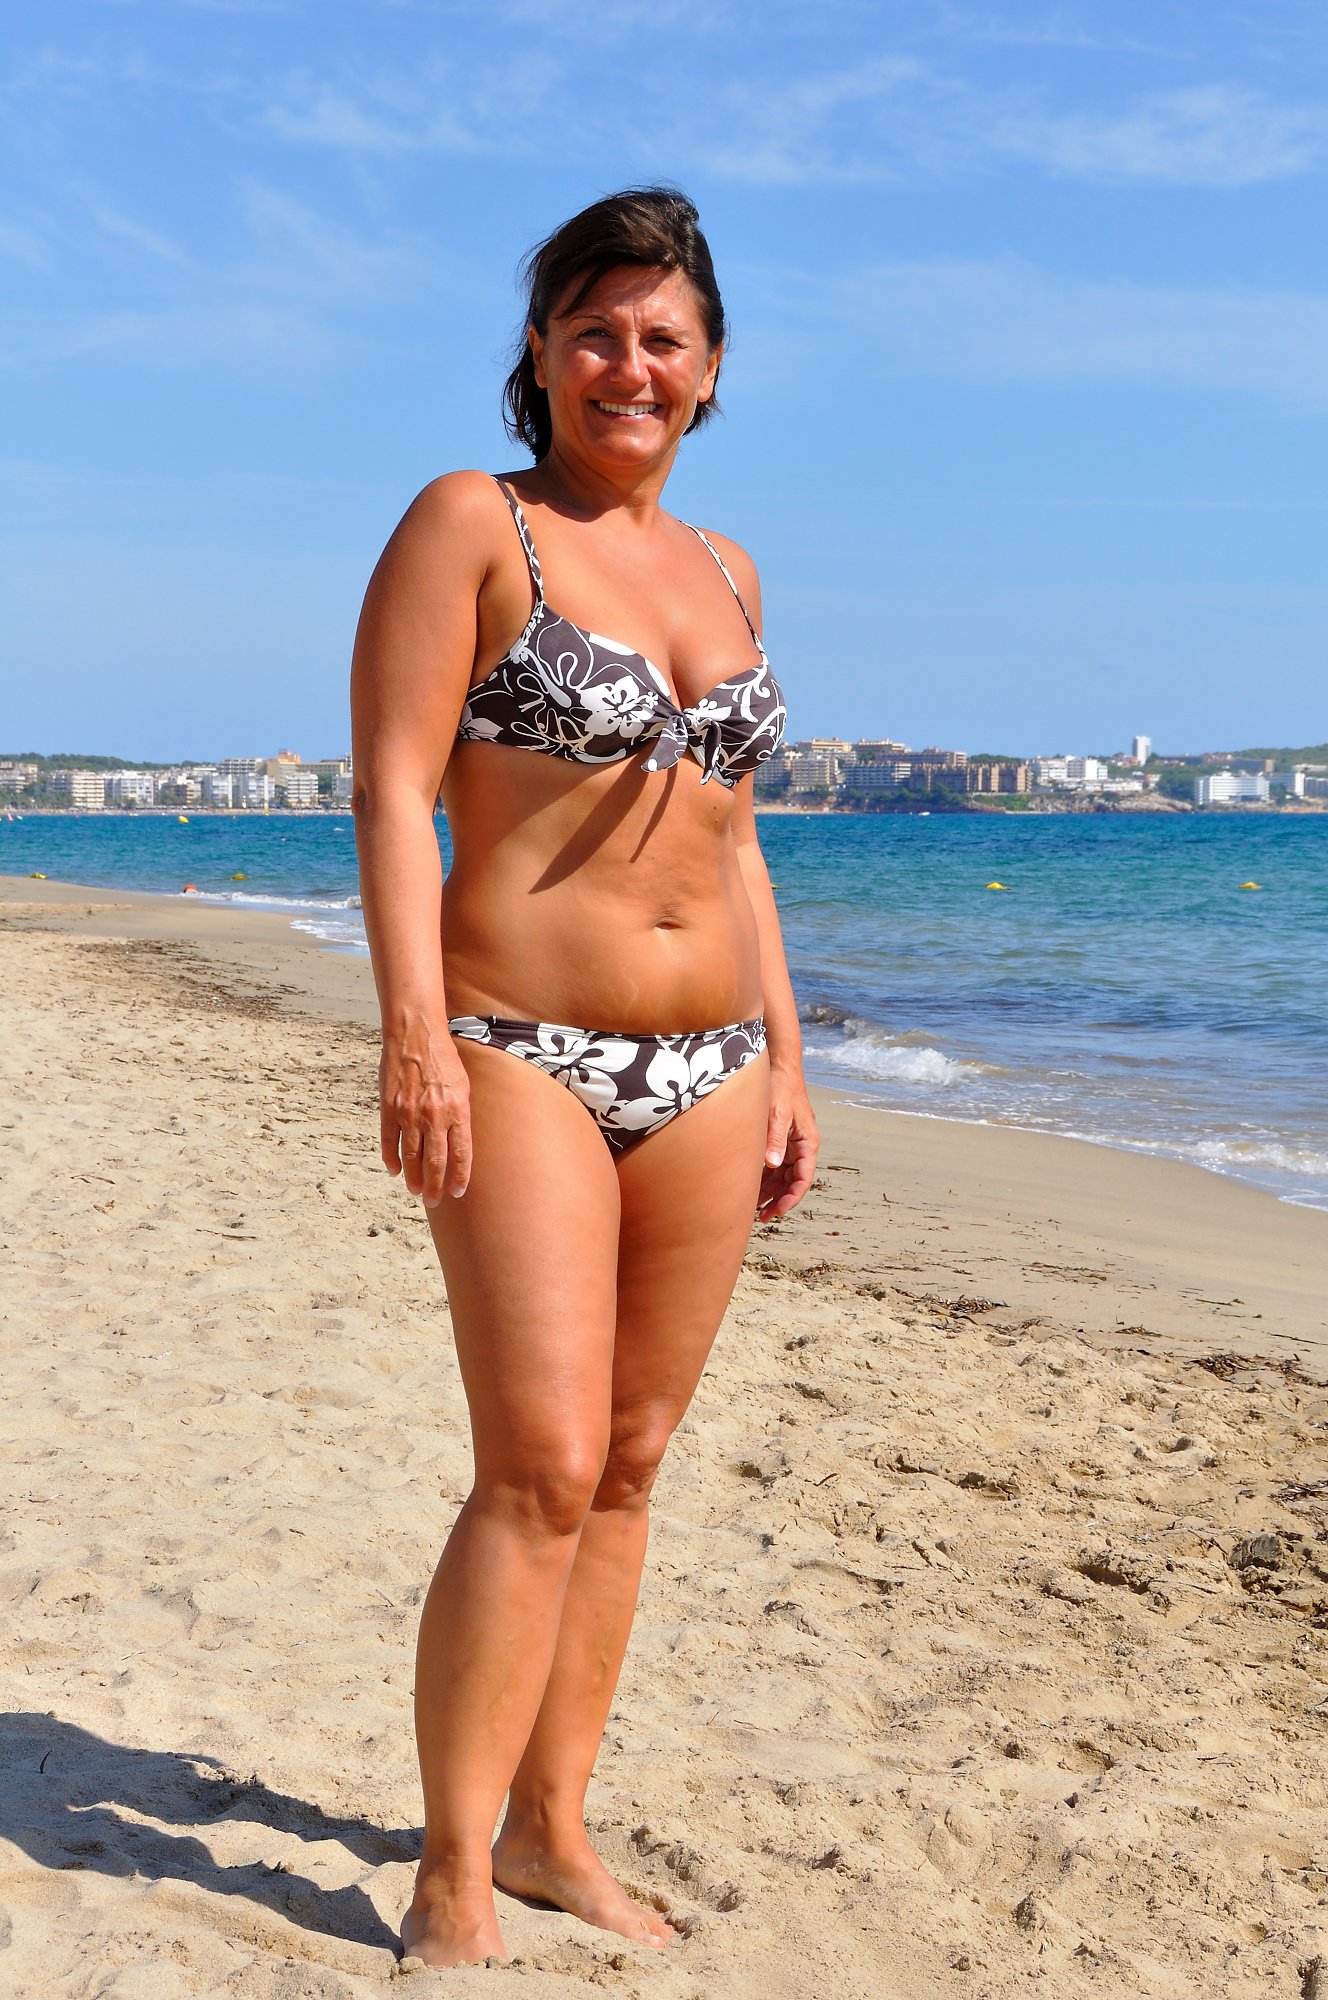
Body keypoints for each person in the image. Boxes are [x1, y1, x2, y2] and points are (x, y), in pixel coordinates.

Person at [351, 185, 819, 1968]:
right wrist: (413, 1033)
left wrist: (787, 1059)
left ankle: (553, 1830)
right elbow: (394, 790)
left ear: (710, 369)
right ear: (541, 354)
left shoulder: (731, 570)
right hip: (517, 1045)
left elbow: (736, 840)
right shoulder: (473, 524)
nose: (631, 364)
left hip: (711, 1062)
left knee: (628, 1464)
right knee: (538, 1463)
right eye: (597, 331)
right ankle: (451, 1867)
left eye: (663, 338)